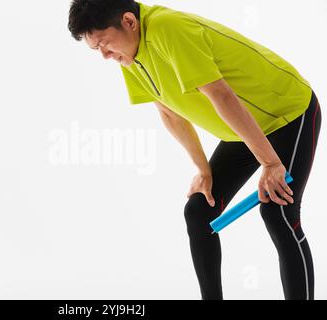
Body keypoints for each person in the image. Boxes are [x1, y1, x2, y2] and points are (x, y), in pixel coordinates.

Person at [67, 0, 322, 300]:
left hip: (288, 113)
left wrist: (270, 162)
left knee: (278, 211)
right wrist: (203, 170)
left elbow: (221, 95)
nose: (105, 56)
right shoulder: (130, 57)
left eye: (104, 44)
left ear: (128, 21)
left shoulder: (168, 29)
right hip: (243, 129)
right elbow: (169, 113)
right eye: (96, 49)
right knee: (199, 212)